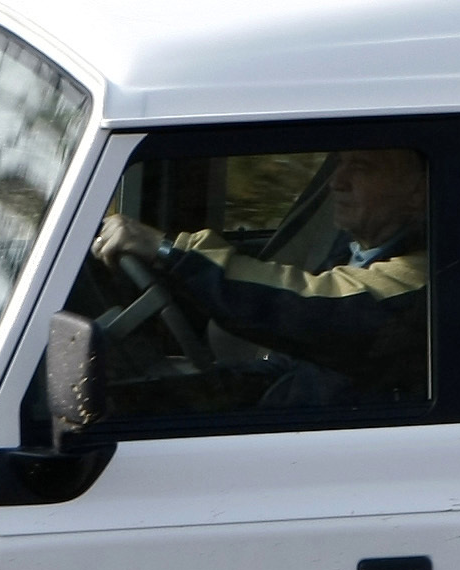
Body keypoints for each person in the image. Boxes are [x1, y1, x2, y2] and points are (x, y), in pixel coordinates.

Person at [91, 147, 429, 404]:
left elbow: (305, 303)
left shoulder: (421, 280)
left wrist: (169, 251)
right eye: (339, 163)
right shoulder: (358, 248)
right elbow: (290, 365)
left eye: (362, 168)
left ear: (418, 192)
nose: (336, 182)